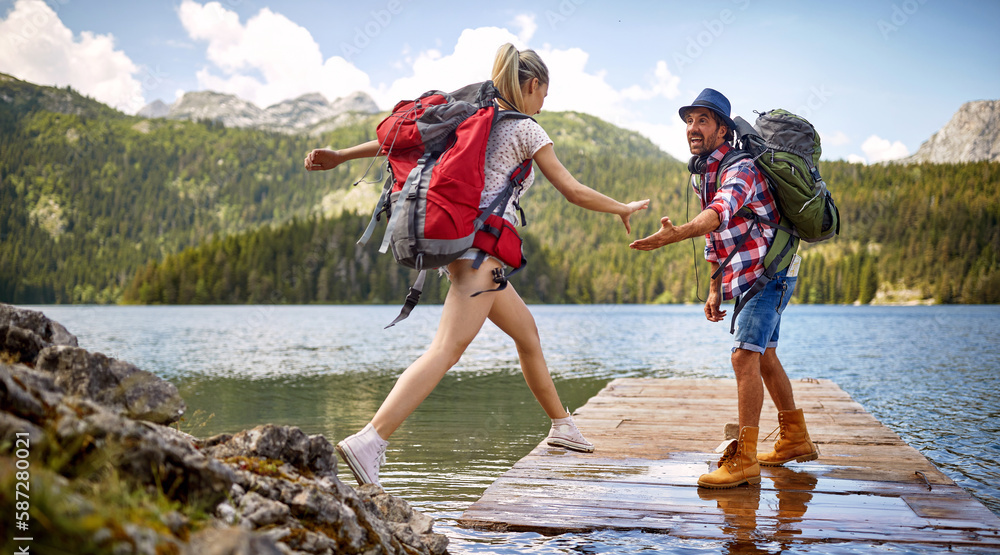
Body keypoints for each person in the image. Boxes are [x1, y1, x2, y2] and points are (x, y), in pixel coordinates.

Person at [305, 43, 649, 488]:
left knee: (527, 334)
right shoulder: (527, 130)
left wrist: (340, 156)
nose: (544, 103)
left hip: (472, 254)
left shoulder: (471, 116)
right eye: (544, 93)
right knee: (446, 350)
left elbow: (399, 139)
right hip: (480, 257)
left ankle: (562, 426)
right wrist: (620, 207)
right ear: (531, 85)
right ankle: (371, 439)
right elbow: (573, 190)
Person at [629, 88, 819, 489]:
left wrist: (677, 233)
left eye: (702, 120)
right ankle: (795, 438)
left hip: (771, 271)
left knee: (743, 356)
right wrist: (715, 287)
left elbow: (720, 213)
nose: (692, 128)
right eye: (688, 121)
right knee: (764, 354)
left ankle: (745, 459)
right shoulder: (704, 173)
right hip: (757, 273)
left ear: (722, 129)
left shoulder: (741, 168)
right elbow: (715, 239)